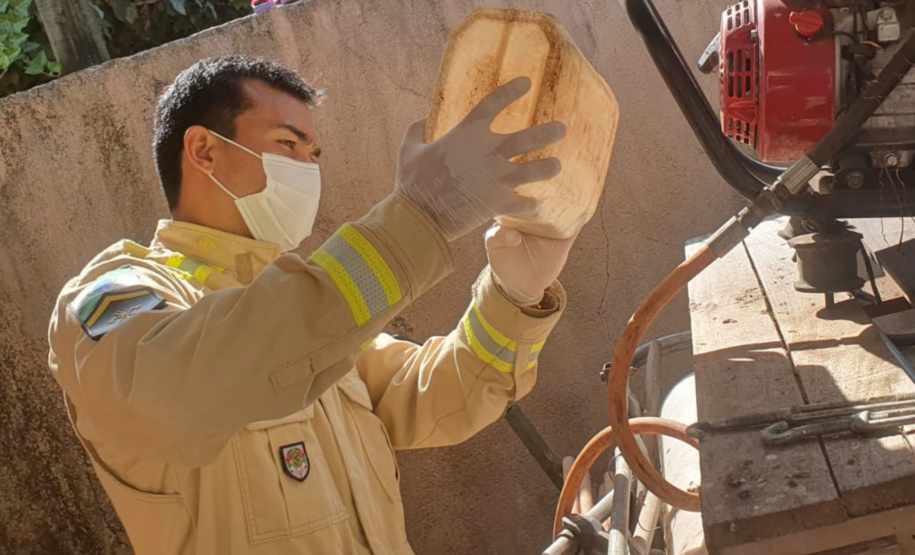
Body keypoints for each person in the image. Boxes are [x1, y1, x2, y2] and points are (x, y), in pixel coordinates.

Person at [48, 56, 576, 554]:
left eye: (314, 155)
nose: (307, 167)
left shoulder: (305, 309)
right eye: (288, 144)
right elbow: (185, 390)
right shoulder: (114, 296)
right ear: (204, 151)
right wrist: (418, 219)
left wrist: (513, 294)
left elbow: (437, 396)